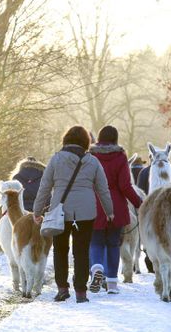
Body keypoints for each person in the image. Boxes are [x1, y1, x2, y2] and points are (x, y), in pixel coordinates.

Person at [33, 126, 114, 303]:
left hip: (60, 211)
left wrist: (37, 211)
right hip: (86, 212)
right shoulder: (93, 162)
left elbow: (44, 187)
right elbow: (103, 190)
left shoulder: (56, 159)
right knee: (82, 252)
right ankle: (81, 293)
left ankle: (62, 289)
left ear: (66, 140)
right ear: (86, 142)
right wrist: (109, 211)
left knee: (60, 250)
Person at [88, 126, 142, 294]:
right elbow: (125, 186)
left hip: (95, 204)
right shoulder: (120, 157)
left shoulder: (90, 156)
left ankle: (97, 268)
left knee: (95, 241)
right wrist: (139, 203)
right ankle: (112, 283)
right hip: (116, 205)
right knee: (113, 243)